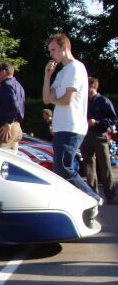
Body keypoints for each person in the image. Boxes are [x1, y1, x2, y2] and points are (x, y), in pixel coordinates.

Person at [42, 33, 102, 204]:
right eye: (50, 50)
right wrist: (47, 76)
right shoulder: (61, 73)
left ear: (65, 47)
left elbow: (67, 99)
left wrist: (54, 98)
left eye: (54, 50)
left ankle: (92, 198)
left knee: (64, 167)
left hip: (71, 125)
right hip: (62, 126)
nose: (51, 54)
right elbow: (47, 98)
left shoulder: (76, 68)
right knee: (62, 168)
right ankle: (81, 199)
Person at [79, 77, 117, 204]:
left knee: (105, 165)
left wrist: (97, 122)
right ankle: (93, 195)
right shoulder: (83, 101)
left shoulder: (103, 101)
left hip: (100, 135)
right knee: (88, 166)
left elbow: (113, 119)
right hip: (85, 135)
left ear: (92, 87)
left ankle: (111, 196)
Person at [0, 62, 25, 152]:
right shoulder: (19, 86)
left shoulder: (6, 85)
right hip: (17, 128)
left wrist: (8, 123)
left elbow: (13, 106)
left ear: (3, 72)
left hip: (7, 128)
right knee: (11, 160)